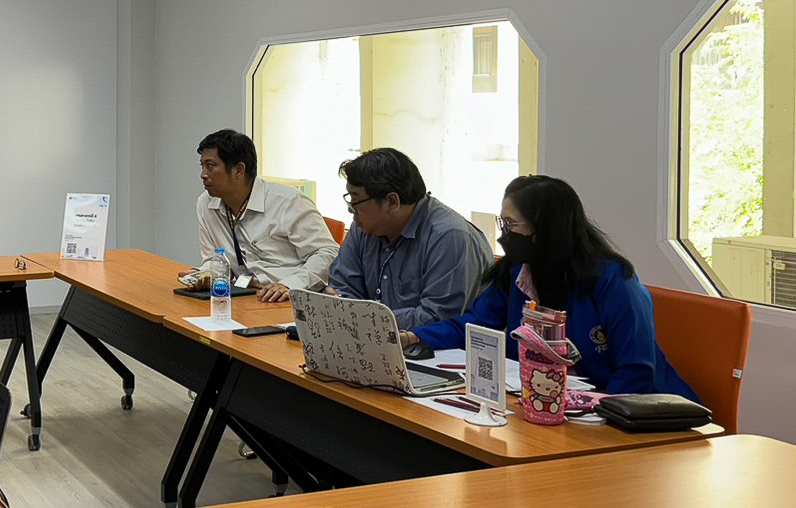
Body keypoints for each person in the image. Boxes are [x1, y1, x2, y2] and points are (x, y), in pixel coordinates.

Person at [405, 175, 699, 397]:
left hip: (639, 414)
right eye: (503, 223)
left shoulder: (615, 280)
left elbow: (637, 370)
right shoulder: (515, 272)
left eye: (511, 225)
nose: (504, 235)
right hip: (550, 404)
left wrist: (600, 415)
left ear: (544, 228)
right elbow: (473, 327)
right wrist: (414, 337)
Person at [328, 147, 494, 330]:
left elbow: (437, 318)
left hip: (438, 346)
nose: (350, 209)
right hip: (373, 339)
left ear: (392, 202)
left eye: (356, 200)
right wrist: (356, 315)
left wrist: (366, 319)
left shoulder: (449, 237)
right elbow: (340, 288)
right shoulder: (364, 228)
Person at [187, 129, 337, 302]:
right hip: (246, 295)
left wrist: (290, 285)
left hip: (290, 299)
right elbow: (213, 259)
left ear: (239, 170)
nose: (203, 175)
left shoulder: (288, 202)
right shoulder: (206, 204)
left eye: (210, 166)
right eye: (202, 166)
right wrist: (205, 274)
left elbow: (328, 253)